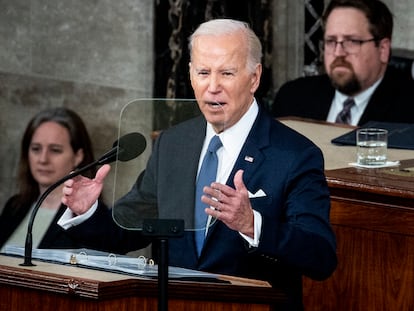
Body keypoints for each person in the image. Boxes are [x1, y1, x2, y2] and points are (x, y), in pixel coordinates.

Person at [59, 19, 337, 310]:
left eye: (227, 73)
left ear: (254, 78)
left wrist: (252, 224)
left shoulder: (295, 155)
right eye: (203, 72)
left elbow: (321, 257)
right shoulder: (173, 144)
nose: (212, 87)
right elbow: (125, 232)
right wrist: (87, 211)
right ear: (191, 75)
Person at [271, 0, 414, 126]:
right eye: (331, 41)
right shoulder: (292, 98)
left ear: (383, 49)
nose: (338, 52)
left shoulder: (408, 109)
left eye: (352, 41)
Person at [0, 107, 109, 251]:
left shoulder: (87, 217)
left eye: (55, 150)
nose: (43, 159)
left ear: (78, 156)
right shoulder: (14, 206)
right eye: (36, 149)